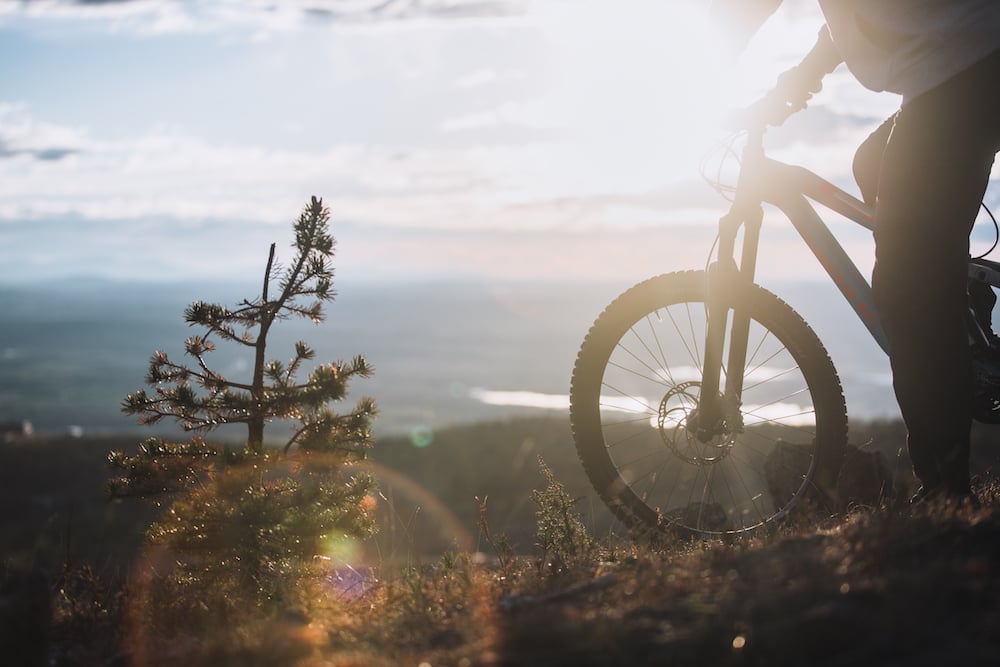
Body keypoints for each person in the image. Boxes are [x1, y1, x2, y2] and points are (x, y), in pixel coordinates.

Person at [713, 1, 1000, 503]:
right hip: (959, 64)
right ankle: (954, 308)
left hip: (971, 64)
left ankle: (946, 493)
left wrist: (695, 84)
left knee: (906, 287)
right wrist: (797, 82)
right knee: (873, 167)